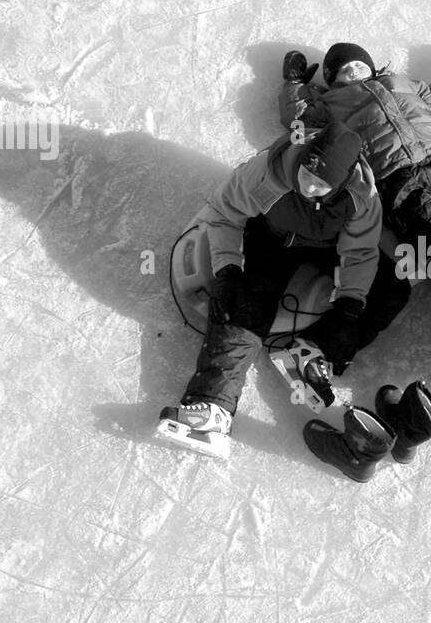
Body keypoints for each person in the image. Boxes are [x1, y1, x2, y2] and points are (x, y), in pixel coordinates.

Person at [159, 123, 410, 459]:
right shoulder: (268, 170)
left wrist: (348, 306)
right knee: (245, 305)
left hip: (329, 245)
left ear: (340, 183)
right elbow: (224, 213)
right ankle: (212, 410)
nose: (308, 185)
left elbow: (360, 252)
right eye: (307, 172)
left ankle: (312, 354)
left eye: (321, 184)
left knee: (392, 287)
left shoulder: (361, 196)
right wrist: (229, 270)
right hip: (273, 238)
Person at [279, 42, 431, 282]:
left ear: (371, 67)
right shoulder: (330, 104)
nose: (352, 70)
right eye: (343, 69)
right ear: (332, 79)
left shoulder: (403, 84)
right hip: (394, 179)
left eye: (358, 65)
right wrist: (295, 85)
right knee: (430, 226)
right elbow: (298, 122)